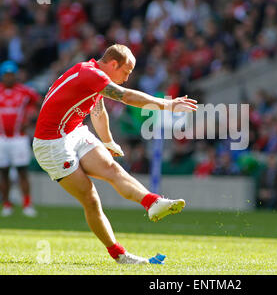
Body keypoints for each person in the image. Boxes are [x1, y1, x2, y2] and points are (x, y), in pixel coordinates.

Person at [32, 44, 198, 264]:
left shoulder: (93, 76)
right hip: (51, 144)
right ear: (113, 64)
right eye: (126, 71)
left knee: (112, 168)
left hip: (73, 132)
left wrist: (108, 141)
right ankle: (119, 255)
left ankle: (152, 202)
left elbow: (98, 112)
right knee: (90, 199)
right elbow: (125, 96)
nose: (127, 77)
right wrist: (167, 104)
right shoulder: (90, 74)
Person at [0, 61, 41, 217]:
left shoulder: (25, 92)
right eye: (6, 75)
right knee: (3, 173)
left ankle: (27, 204)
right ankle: (7, 204)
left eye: (11, 75)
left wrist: (31, 121)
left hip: (19, 138)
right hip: (2, 138)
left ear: (15, 75)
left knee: (22, 172)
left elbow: (40, 104)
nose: (9, 78)